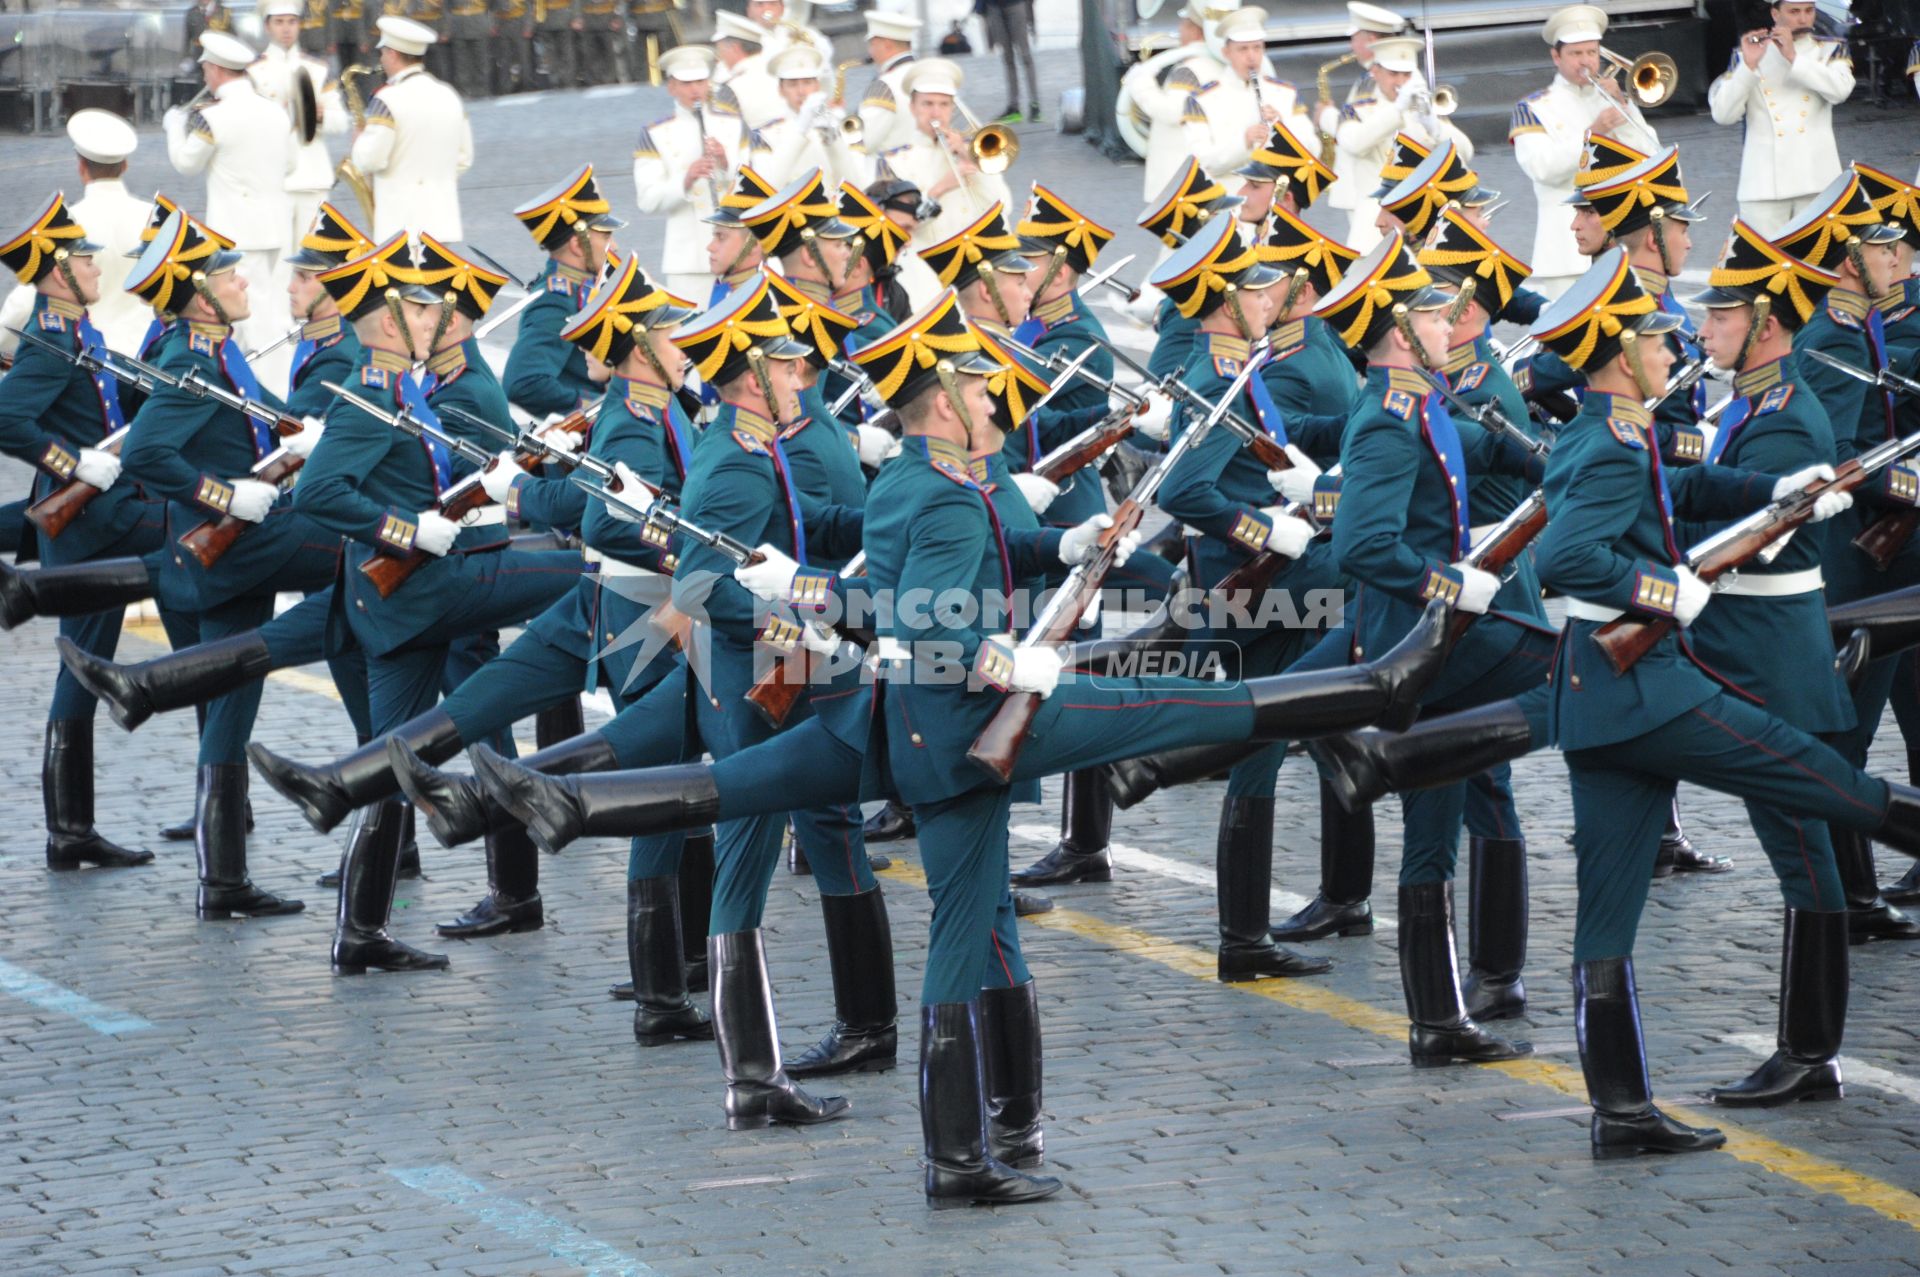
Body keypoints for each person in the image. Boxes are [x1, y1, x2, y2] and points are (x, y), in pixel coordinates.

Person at [0, 195, 177, 875]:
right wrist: (72, 462)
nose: (93, 265)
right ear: (54, 274)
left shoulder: (77, 328)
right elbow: (10, 420)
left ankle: (74, 831)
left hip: (94, 520)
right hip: (78, 524)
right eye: (81, 259)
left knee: (84, 664)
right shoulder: (51, 337)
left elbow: (107, 402)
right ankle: (69, 833)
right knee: (78, 669)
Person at [1509, 5, 1660, 298]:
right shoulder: (1532, 107)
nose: (1586, 61)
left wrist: (1626, 106)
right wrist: (1592, 135)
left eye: (1592, 52)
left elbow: (1652, 154)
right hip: (1566, 251)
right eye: (1576, 54)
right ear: (1556, 57)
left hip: (1622, 241)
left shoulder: (1611, 96)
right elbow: (1542, 168)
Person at [164, 31, 297, 361]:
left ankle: (259, 385)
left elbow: (186, 163)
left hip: (236, 229)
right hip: (277, 225)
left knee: (246, 315)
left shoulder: (213, 116)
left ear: (214, 69)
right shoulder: (275, 111)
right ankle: (280, 378)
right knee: (276, 310)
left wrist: (173, 128)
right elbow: (291, 163)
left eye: (206, 68)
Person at [0, 111, 150, 362]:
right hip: (151, 361)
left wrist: (4, 339)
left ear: (81, 167)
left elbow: (28, 301)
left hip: (90, 361)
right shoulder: (157, 219)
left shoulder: (65, 225)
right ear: (125, 165)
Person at [874, 59, 1013, 309]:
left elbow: (1003, 207)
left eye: (944, 105)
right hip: (924, 274)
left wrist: (975, 164)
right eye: (927, 104)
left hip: (975, 269)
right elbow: (899, 226)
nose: (936, 113)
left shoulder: (971, 152)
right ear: (913, 107)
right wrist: (940, 188)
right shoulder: (895, 160)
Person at [1707, 0, 1854, 234]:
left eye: (1809, 11)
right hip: (1763, 184)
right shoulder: (1748, 53)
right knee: (1762, 265)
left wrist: (1794, 58)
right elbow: (1723, 115)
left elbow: (1840, 91)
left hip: (1817, 178)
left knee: (1819, 266)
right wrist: (1748, 67)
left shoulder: (1829, 48)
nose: (1804, 19)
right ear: (1775, 14)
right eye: (1794, 12)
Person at [633, 44, 755, 301]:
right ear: (672, 87)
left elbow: (755, 184)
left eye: (700, 81)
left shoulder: (733, 124)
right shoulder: (655, 133)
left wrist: (725, 162)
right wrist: (685, 180)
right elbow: (647, 200)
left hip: (739, 251)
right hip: (688, 258)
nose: (695, 90)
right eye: (686, 83)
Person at [501, 165, 625, 419]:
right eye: (605, 236)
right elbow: (523, 382)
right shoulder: (556, 302)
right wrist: (591, 408)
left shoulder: (581, 289)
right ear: (578, 245)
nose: (614, 245)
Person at [1332, 33, 1469, 252]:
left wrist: (1436, 128)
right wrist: (1397, 110)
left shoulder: (1424, 109)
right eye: (1394, 74)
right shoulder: (1357, 110)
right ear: (1375, 72)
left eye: (1407, 75)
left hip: (1424, 224)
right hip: (1375, 224)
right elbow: (1353, 143)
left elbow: (1465, 153)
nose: (1401, 82)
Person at [350, 14, 474, 241]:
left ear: (393, 53)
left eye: (383, 52)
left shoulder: (387, 100)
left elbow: (370, 159)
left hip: (400, 224)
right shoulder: (449, 95)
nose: (382, 59)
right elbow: (464, 157)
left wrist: (359, 141)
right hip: (442, 222)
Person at [253, 0, 349, 259]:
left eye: (292, 21)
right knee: (278, 266)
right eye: (279, 22)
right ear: (267, 26)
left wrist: (319, 115)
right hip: (274, 180)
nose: (286, 29)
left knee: (315, 264)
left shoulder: (318, 69)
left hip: (313, 176)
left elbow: (341, 123)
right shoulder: (252, 72)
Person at [856, 9, 923, 158]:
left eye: (872, 44)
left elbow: (863, 142)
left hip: (895, 175)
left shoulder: (883, 86)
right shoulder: (930, 74)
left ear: (886, 44)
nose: (870, 51)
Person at [713, 10, 782, 130]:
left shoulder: (731, 88)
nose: (720, 55)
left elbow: (723, 130)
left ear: (734, 48)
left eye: (721, 48)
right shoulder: (779, 73)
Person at [979, 0, 1039, 123]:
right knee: (1008, 59)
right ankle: (1014, 107)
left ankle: (1035, 105)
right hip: (994, 7)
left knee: (1025, 56)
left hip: (1016, 5)